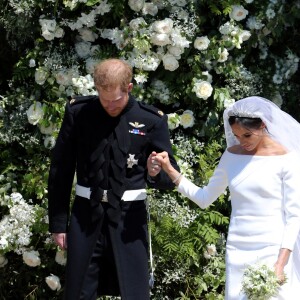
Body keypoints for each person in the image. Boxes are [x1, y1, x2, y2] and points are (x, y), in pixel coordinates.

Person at [48, 58, 180, 300]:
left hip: (129, 220)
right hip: (85, 216)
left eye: (116, 100)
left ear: (129, 88)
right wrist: (58, 223)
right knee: (78, 292)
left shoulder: (151, 120)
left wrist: (154, 172)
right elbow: (61, 170)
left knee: (135, 294)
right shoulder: (79, 113)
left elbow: (170, 177)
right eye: (103, 99)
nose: (109, 106)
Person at [152, 96, 300, 299]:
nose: (242, 142)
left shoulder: (287, 159)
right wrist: (170, 170)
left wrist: (280, 264)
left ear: (263, 125)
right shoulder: (231, 155)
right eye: (237, 136)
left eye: (247, 135)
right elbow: (204, 198)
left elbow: (294, 217)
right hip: (237, 248)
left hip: (273, 249)